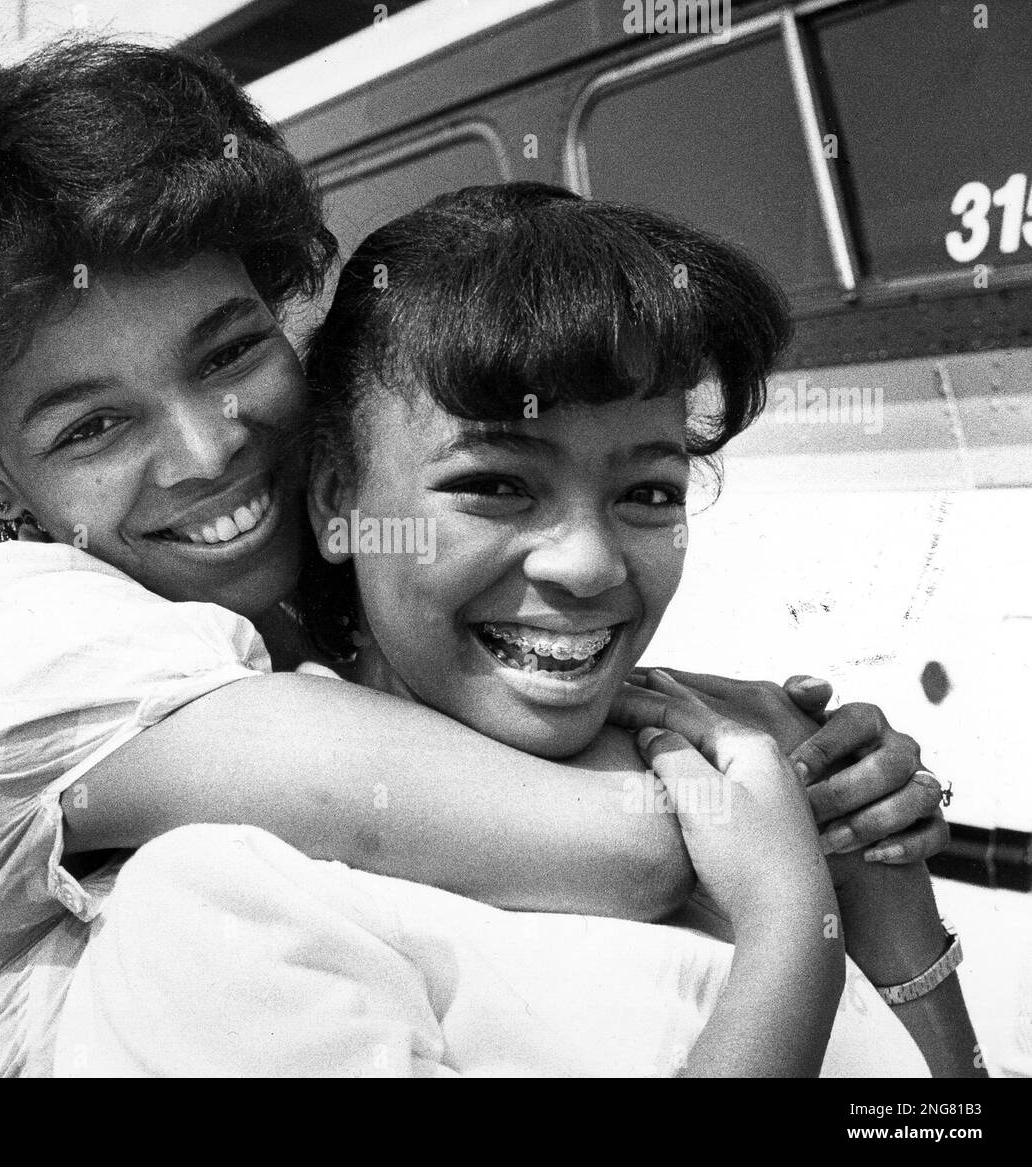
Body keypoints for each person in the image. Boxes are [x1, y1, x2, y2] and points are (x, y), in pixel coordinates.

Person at [0, 38, 950, 1077]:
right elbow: (625, 846)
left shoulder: (326, 629)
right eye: (93, 426)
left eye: (231, 352)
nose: (205, 451)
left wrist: (865, 865)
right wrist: (782, 797)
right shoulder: (6, 650)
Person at [51, 185, 980, 1076]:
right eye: (494, 485)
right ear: (338, 495)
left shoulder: (737, 783)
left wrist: (884, 897)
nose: (589, 564)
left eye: (647, 492)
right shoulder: (226, 903)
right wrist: (790, 933)